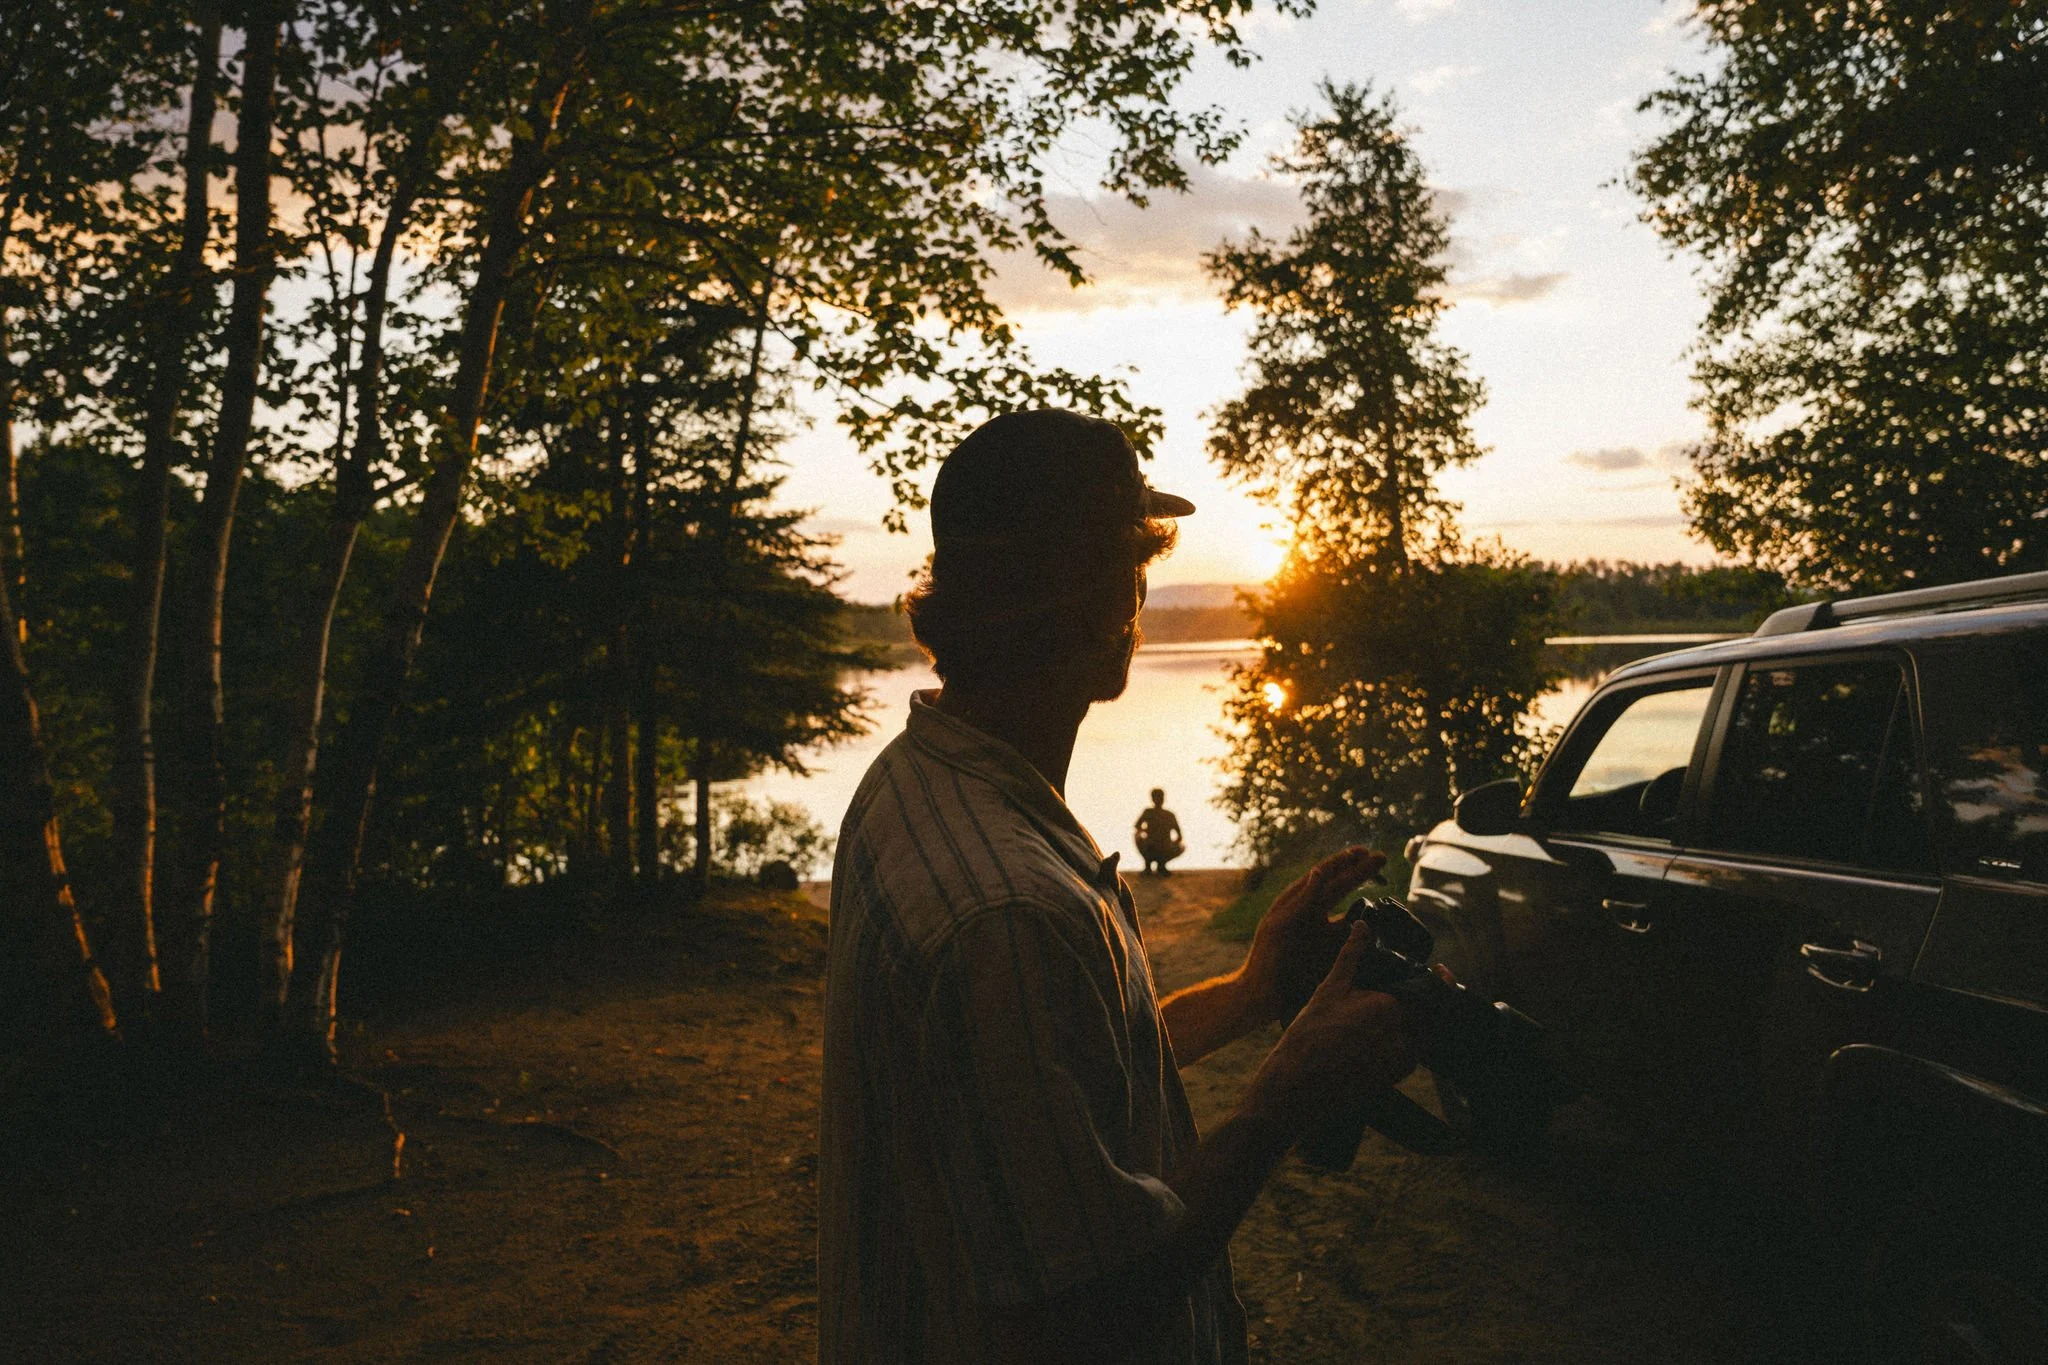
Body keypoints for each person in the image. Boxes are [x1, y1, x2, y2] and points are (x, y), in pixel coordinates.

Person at [818, 409, 1415, 1365]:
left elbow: (1047, 1094)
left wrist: (1252, 994)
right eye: (1136, 569)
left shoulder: (912, 785)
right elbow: (1078, 1314)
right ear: (1108, 604)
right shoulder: (1009, 911)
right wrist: (1283, 1100)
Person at [1135, 788, 1185, 875]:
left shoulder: (1167, 814)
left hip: (1161, 847)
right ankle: (1153, 866)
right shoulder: (1150, 812)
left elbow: (1137, 826)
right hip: (1152, 847)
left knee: (1138, 837)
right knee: (1138, 836)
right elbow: (1137, 827)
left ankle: (1160, 865)